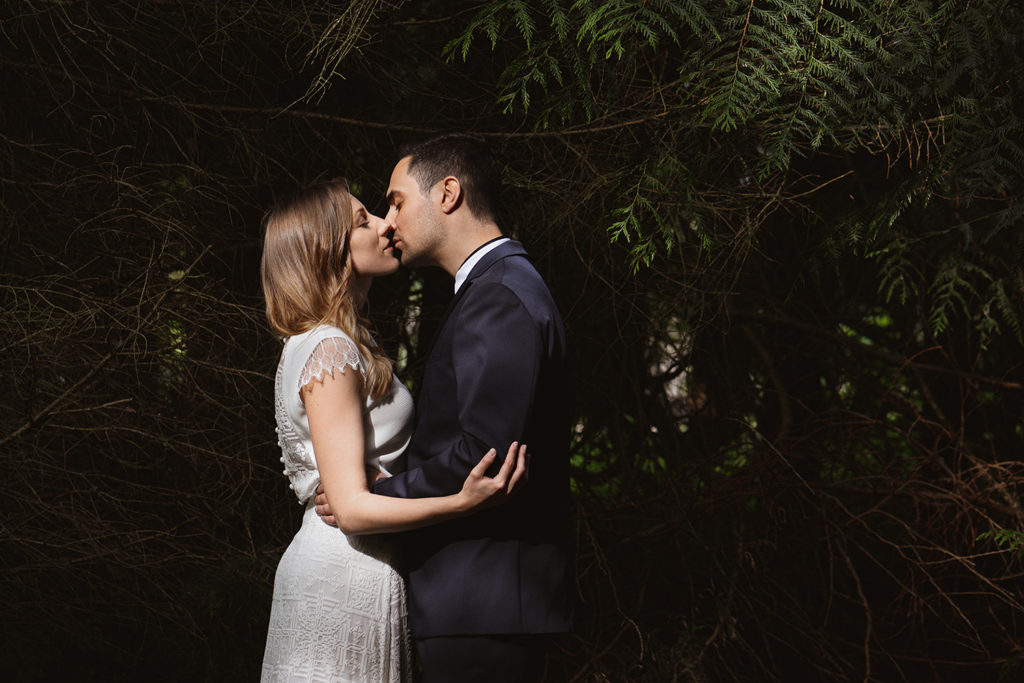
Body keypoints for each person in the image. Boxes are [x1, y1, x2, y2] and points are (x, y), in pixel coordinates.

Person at [315, 134, 573, 682]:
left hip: (483, 600)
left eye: (397, 201)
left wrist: (370, 495)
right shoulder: (492, 288)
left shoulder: (499, 294)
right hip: (478, 601)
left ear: (448, 193)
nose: (389, 220)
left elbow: (484, 455)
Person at [258, 178, 529, 683]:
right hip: (343, 571)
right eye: (364, 221)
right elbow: (354, 509)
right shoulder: (330, 349)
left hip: (353, 565)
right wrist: (463, 502)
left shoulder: (326, 343)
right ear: (328, 248)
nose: (386, 225)